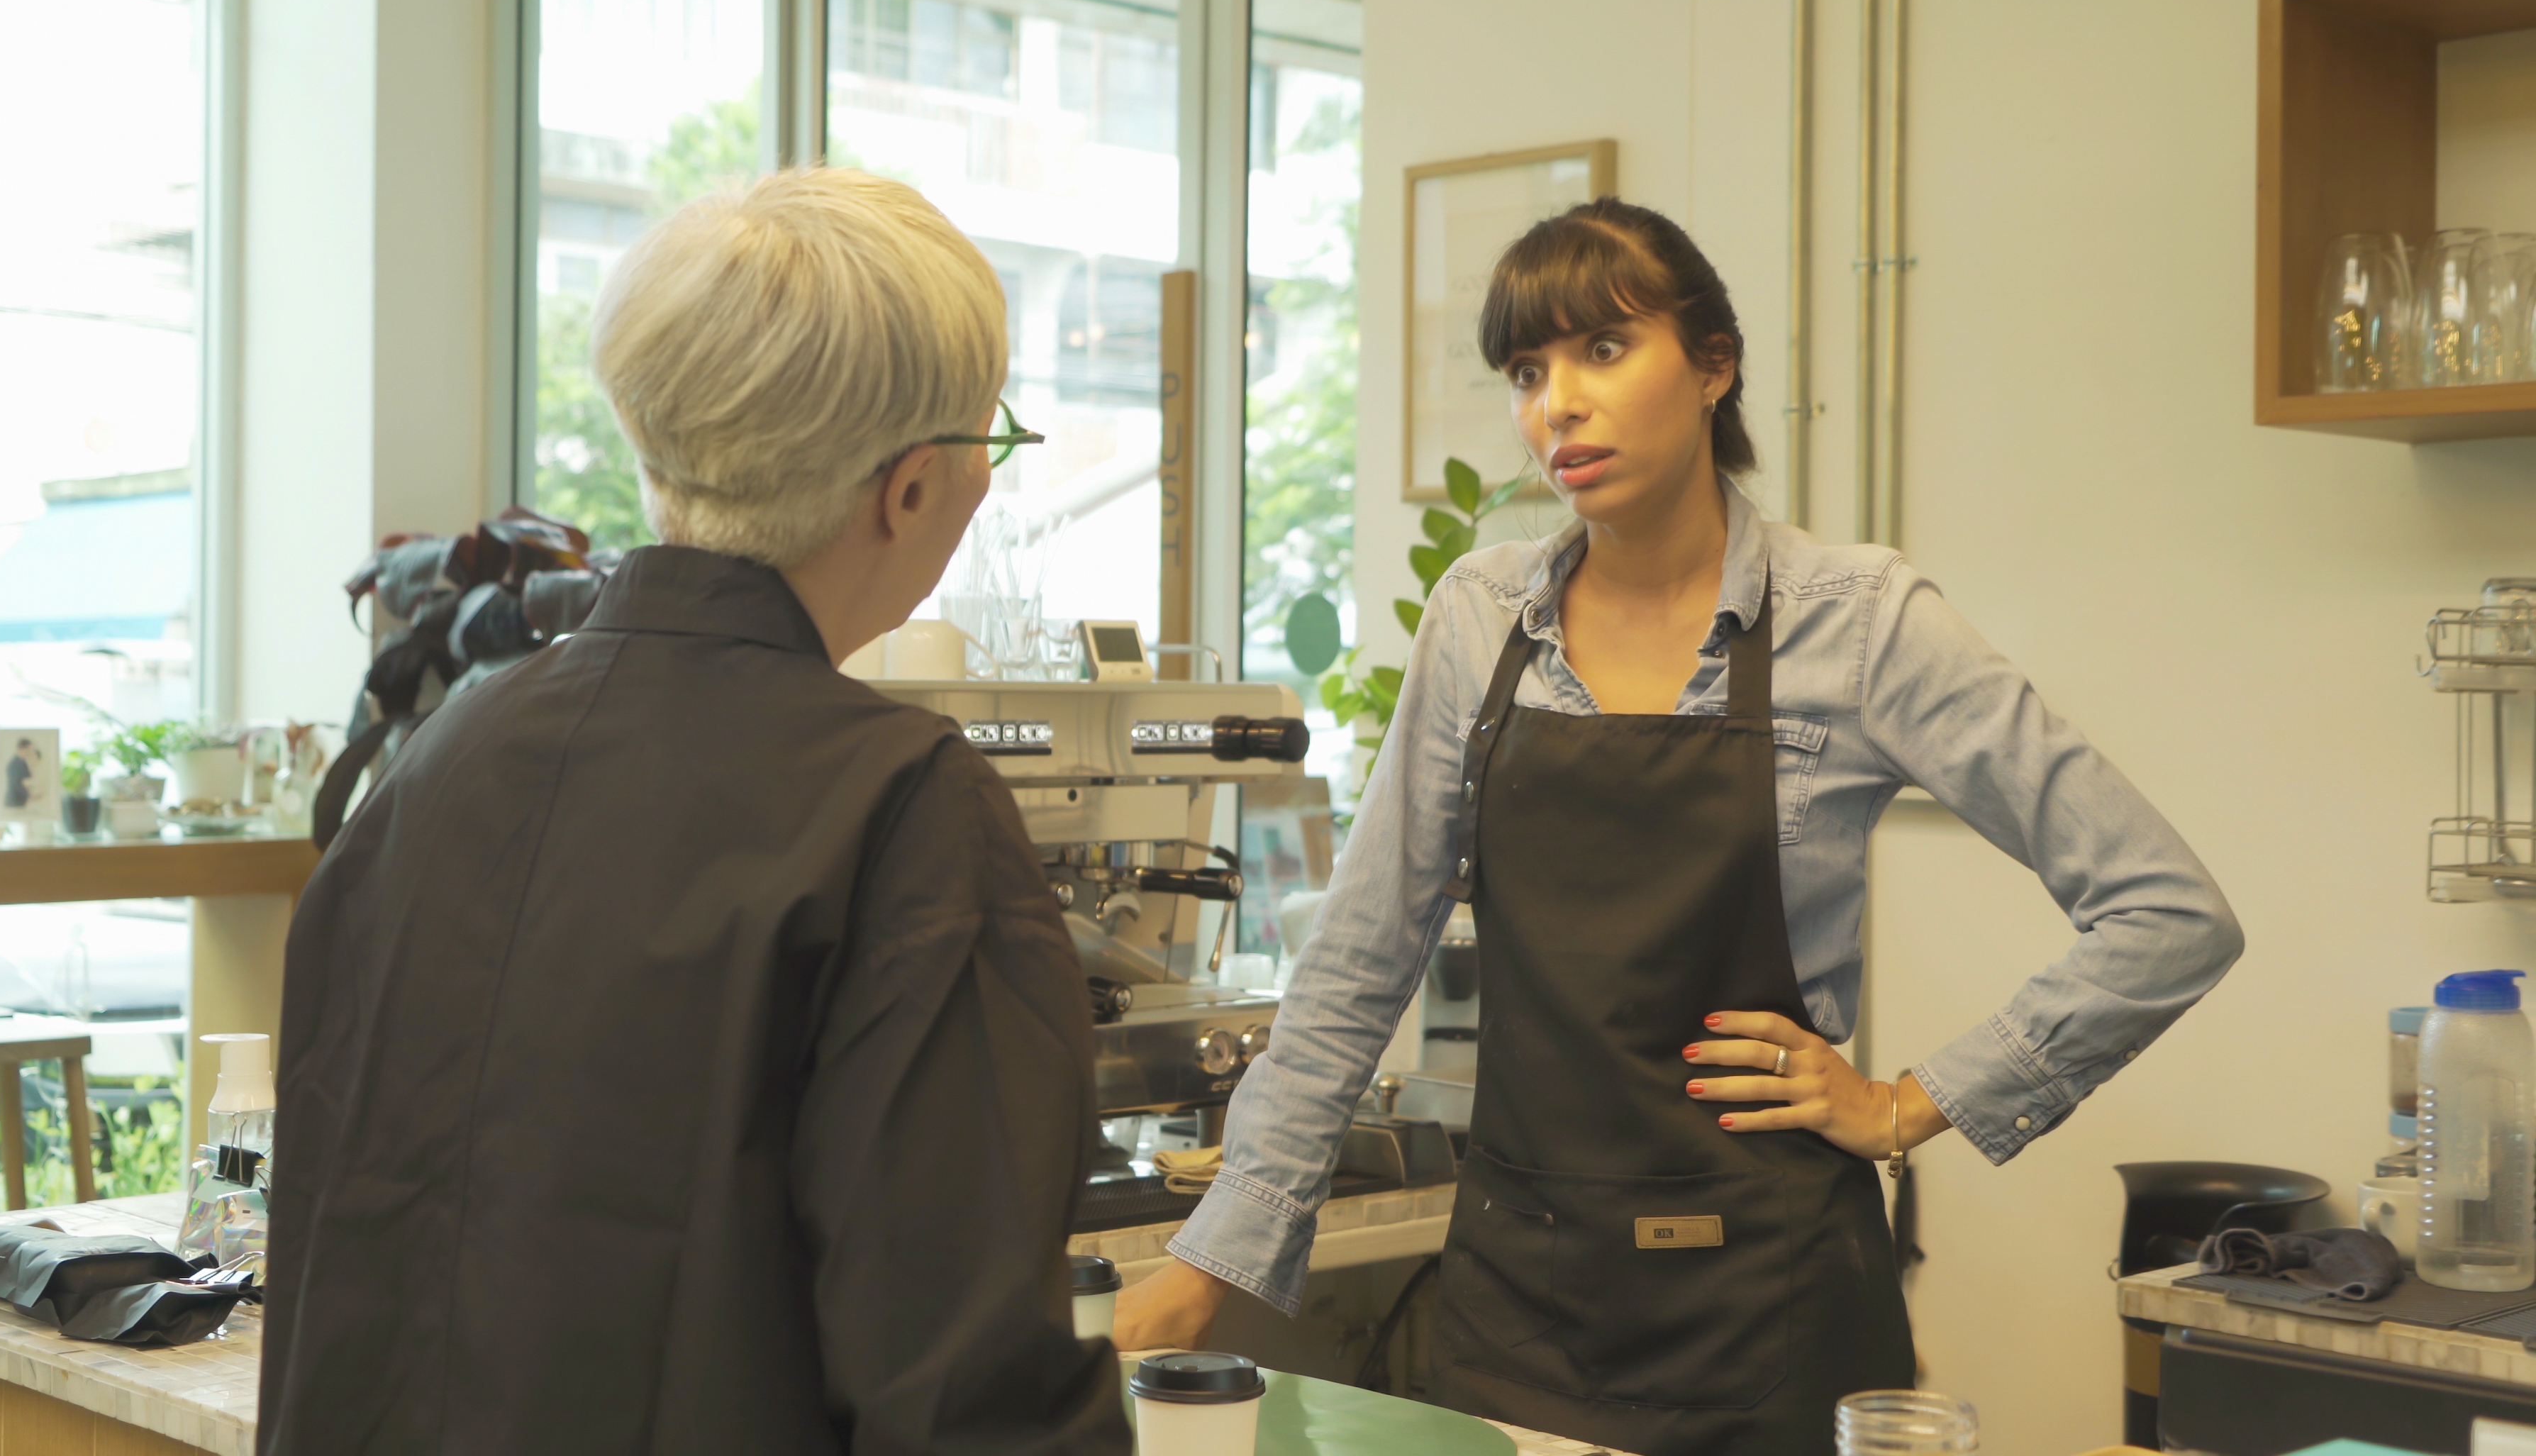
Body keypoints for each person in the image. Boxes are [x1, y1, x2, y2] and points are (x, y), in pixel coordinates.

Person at [1112, 199, 2243, 1452]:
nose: (1559, 406)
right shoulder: (1480, 619)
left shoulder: (1859, 620)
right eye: (1528, 373)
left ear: (1716, 364)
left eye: (1602, 350)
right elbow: (1357, 967)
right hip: (1518, 1311)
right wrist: (1220, 1257)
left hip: (1774, 1311)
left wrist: (1913, 1103)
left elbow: (2167, 913)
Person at [259, 168, 1127, 1455]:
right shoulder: (901, 808)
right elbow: (961, 1388)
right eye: (988, 448)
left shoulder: (437, 762)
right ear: (909, 490)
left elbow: (344, 1257)